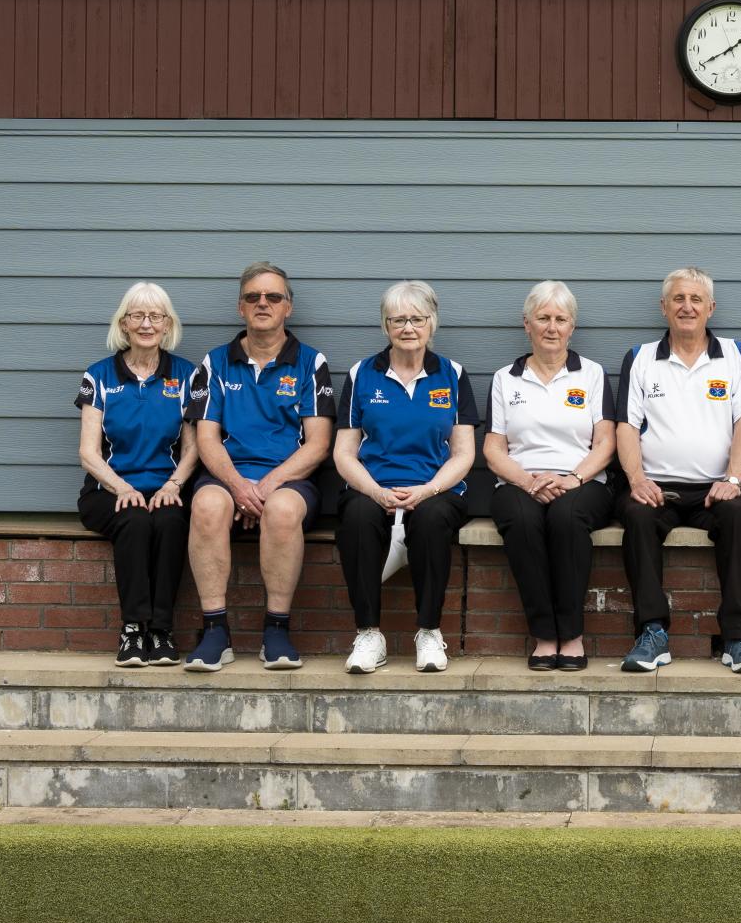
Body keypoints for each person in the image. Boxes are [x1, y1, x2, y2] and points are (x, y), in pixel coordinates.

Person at [610, 267, 741, 674]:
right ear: (664, 307)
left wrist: (733, 480)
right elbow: (626, 426)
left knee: (738, 515)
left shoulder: (735, 354)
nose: (687, 306)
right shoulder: (640, 358)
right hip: (656, 486)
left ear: (710, 308)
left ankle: (737, 638)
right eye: (678, 299)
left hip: (716, 489)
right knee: (636, 515)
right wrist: (637, 480)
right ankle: (652, 633)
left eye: (696, 299)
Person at [182, 262, 334, 673]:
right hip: (226, 475)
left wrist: (264, 487)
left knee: (283, 511)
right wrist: (237, 486)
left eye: (273, 297)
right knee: (207, 507)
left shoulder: (310, 362)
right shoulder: (214, 363)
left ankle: (276, 632)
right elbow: (207, 438)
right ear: (240, 307)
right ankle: (215, 632)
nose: (262, 303)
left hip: (287, 479)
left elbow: (318, 444)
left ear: (289, 307)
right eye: (253, 297)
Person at [333, 280, 482, 675]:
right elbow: (344, 453)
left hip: (435, 487)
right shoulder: (362, 373)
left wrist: (427, 490)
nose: (408, 328)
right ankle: (368, 634)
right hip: (372, 486)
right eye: (398, 319)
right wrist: (376, 491)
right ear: (385, 326)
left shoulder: (451, 374)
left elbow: (464, 452)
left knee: (433, 520)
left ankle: (429, 632)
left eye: (417, 319)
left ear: (432, 323)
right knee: (357, 518)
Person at [482, 280, 615, 670]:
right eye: (543, 318)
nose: (551, 327)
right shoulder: (506, 378)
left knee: (566, 517)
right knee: (521, 519)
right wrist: (527, 481)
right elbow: (493, 448)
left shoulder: (591, 375)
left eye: (560, 319)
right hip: (519, 480)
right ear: (527, 324)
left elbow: (604, 443)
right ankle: (544, 636)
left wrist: (573, 479)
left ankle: (571, 634)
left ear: (572, 326)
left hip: (582, 481)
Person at [74, 282, 199, 666]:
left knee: (171, 522)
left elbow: (194, 447)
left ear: (167, 325)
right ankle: (133, 630)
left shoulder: (186, 375)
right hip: (107, 490)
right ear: (123, 324)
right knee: (134, 521)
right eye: (137, 316)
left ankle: (161, 632)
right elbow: (88, 453)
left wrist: (174, 484)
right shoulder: (98, 376)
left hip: (165, 487)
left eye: (155, 316)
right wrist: (122, 487)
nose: (146, 324)